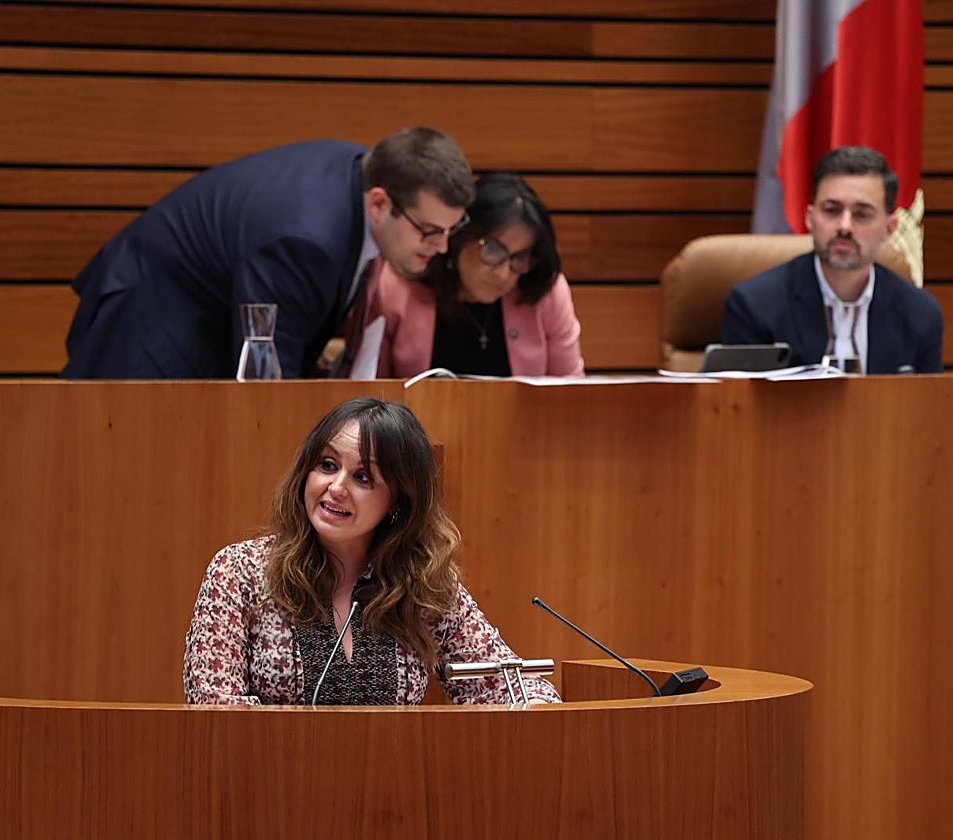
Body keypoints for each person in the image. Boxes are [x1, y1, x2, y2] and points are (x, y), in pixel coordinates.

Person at [183, 397, 561, 706]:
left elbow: (506, 686)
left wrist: (538, 710)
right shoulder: (240, 571)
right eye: (327, 465)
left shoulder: (420, 583)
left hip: (392, 795)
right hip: (271, 787)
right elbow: (213, 708)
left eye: (363, 477)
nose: (336, 487)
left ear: (398, 501)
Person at [62, 127, 475, 379]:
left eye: (451, 230)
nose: (441, 248)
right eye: (428, 231)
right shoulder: (306, 241)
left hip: (191, 315)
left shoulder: (364, 174)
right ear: (380, 203)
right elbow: (268, 381)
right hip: (148, 330)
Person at [722, 146, 943, 373]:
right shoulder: (755, 306)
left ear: (889, 228)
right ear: (810, 219)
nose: (844, 227)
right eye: (831, 211)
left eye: (862, 214)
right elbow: (738, 404)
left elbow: (928, 406)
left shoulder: (920, 315)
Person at [359, 172, 584, 378]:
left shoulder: (544, 290)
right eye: (493, 250)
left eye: (521, 258)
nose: (504, 273)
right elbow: (371, 396)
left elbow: (570, 395)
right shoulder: (396, 287)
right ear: (459, 237)